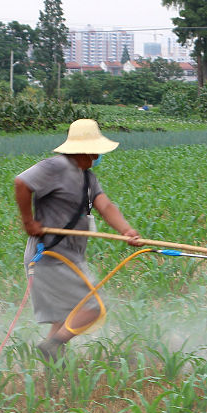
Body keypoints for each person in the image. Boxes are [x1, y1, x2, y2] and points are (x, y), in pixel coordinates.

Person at [14, 118, 142, 361]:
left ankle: (53, 370)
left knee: (63, 318)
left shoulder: (87, 178)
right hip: (50, 256)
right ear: (86, 149)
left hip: (69, 256)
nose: (97, 155)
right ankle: (52, 344)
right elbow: (22, 182)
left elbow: (105, 205)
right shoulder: (55, 167)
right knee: (94, 307)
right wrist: (28, 222)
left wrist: (127, 231)